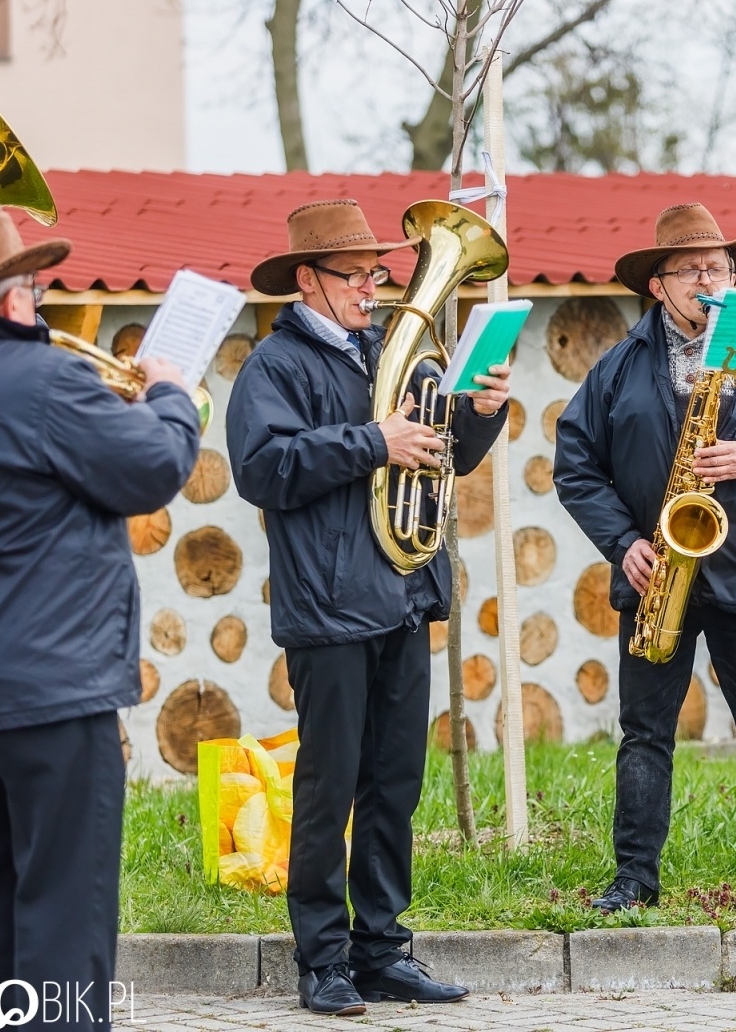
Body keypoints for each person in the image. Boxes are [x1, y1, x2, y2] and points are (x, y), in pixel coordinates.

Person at [0, 206, 198, 1029]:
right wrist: (170, 394)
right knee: (65, 920)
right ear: (11, 298)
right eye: (35, 287)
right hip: (51, 689)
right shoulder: (45, 382)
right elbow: (154, 467)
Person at [228, 199, 510, 1016]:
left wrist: (478, 414)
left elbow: (444, 457)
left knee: (394, 784)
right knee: (329, 787)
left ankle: (382, 949)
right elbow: (262, 468)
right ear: (307, 280)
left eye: (376, 273)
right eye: (353, 275)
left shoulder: (395, 350)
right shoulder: (274, 366)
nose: (371, 287)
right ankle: (322, 960)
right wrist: (372, 441)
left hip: (403, 596)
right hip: (329, 607)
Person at [554, 203, 736, 917]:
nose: (707, 280)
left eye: (718, 267)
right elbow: (575, 465)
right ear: (658, 285)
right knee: (644, 736)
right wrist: (622, 542)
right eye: (689, 269)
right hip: (655, 571)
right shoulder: (618, 367)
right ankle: (634, 880)